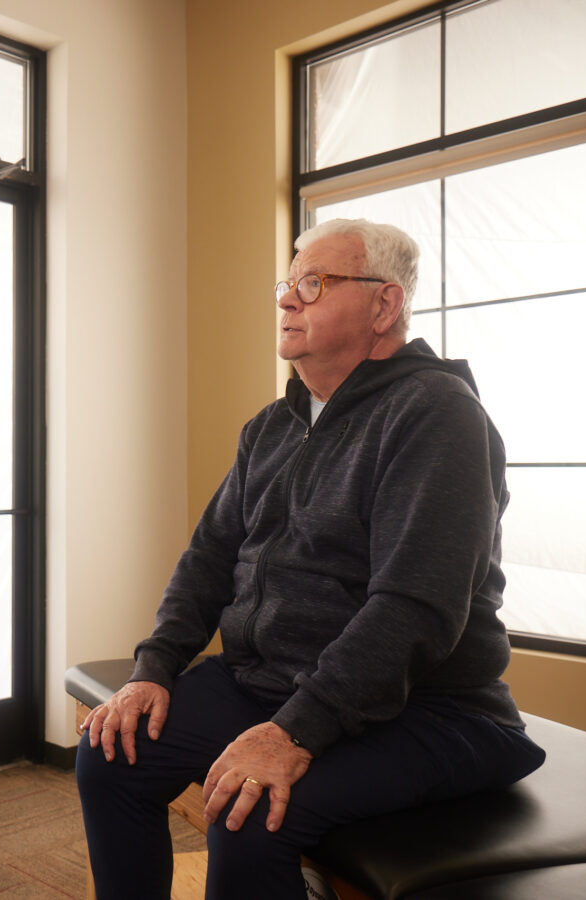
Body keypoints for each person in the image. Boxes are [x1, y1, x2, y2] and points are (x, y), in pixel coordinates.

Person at [75, 218, 545, 899]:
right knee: (109, 753)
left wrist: (292, 733)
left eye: (313, 283)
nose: (287, 299)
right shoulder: (272, 425)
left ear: (384, 305)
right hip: (272, 683)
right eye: (288, 283)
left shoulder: (436, 415)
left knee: (249, 814)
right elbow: (208, 558)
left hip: (429, 711)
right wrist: (153, 669)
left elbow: (412, 608)